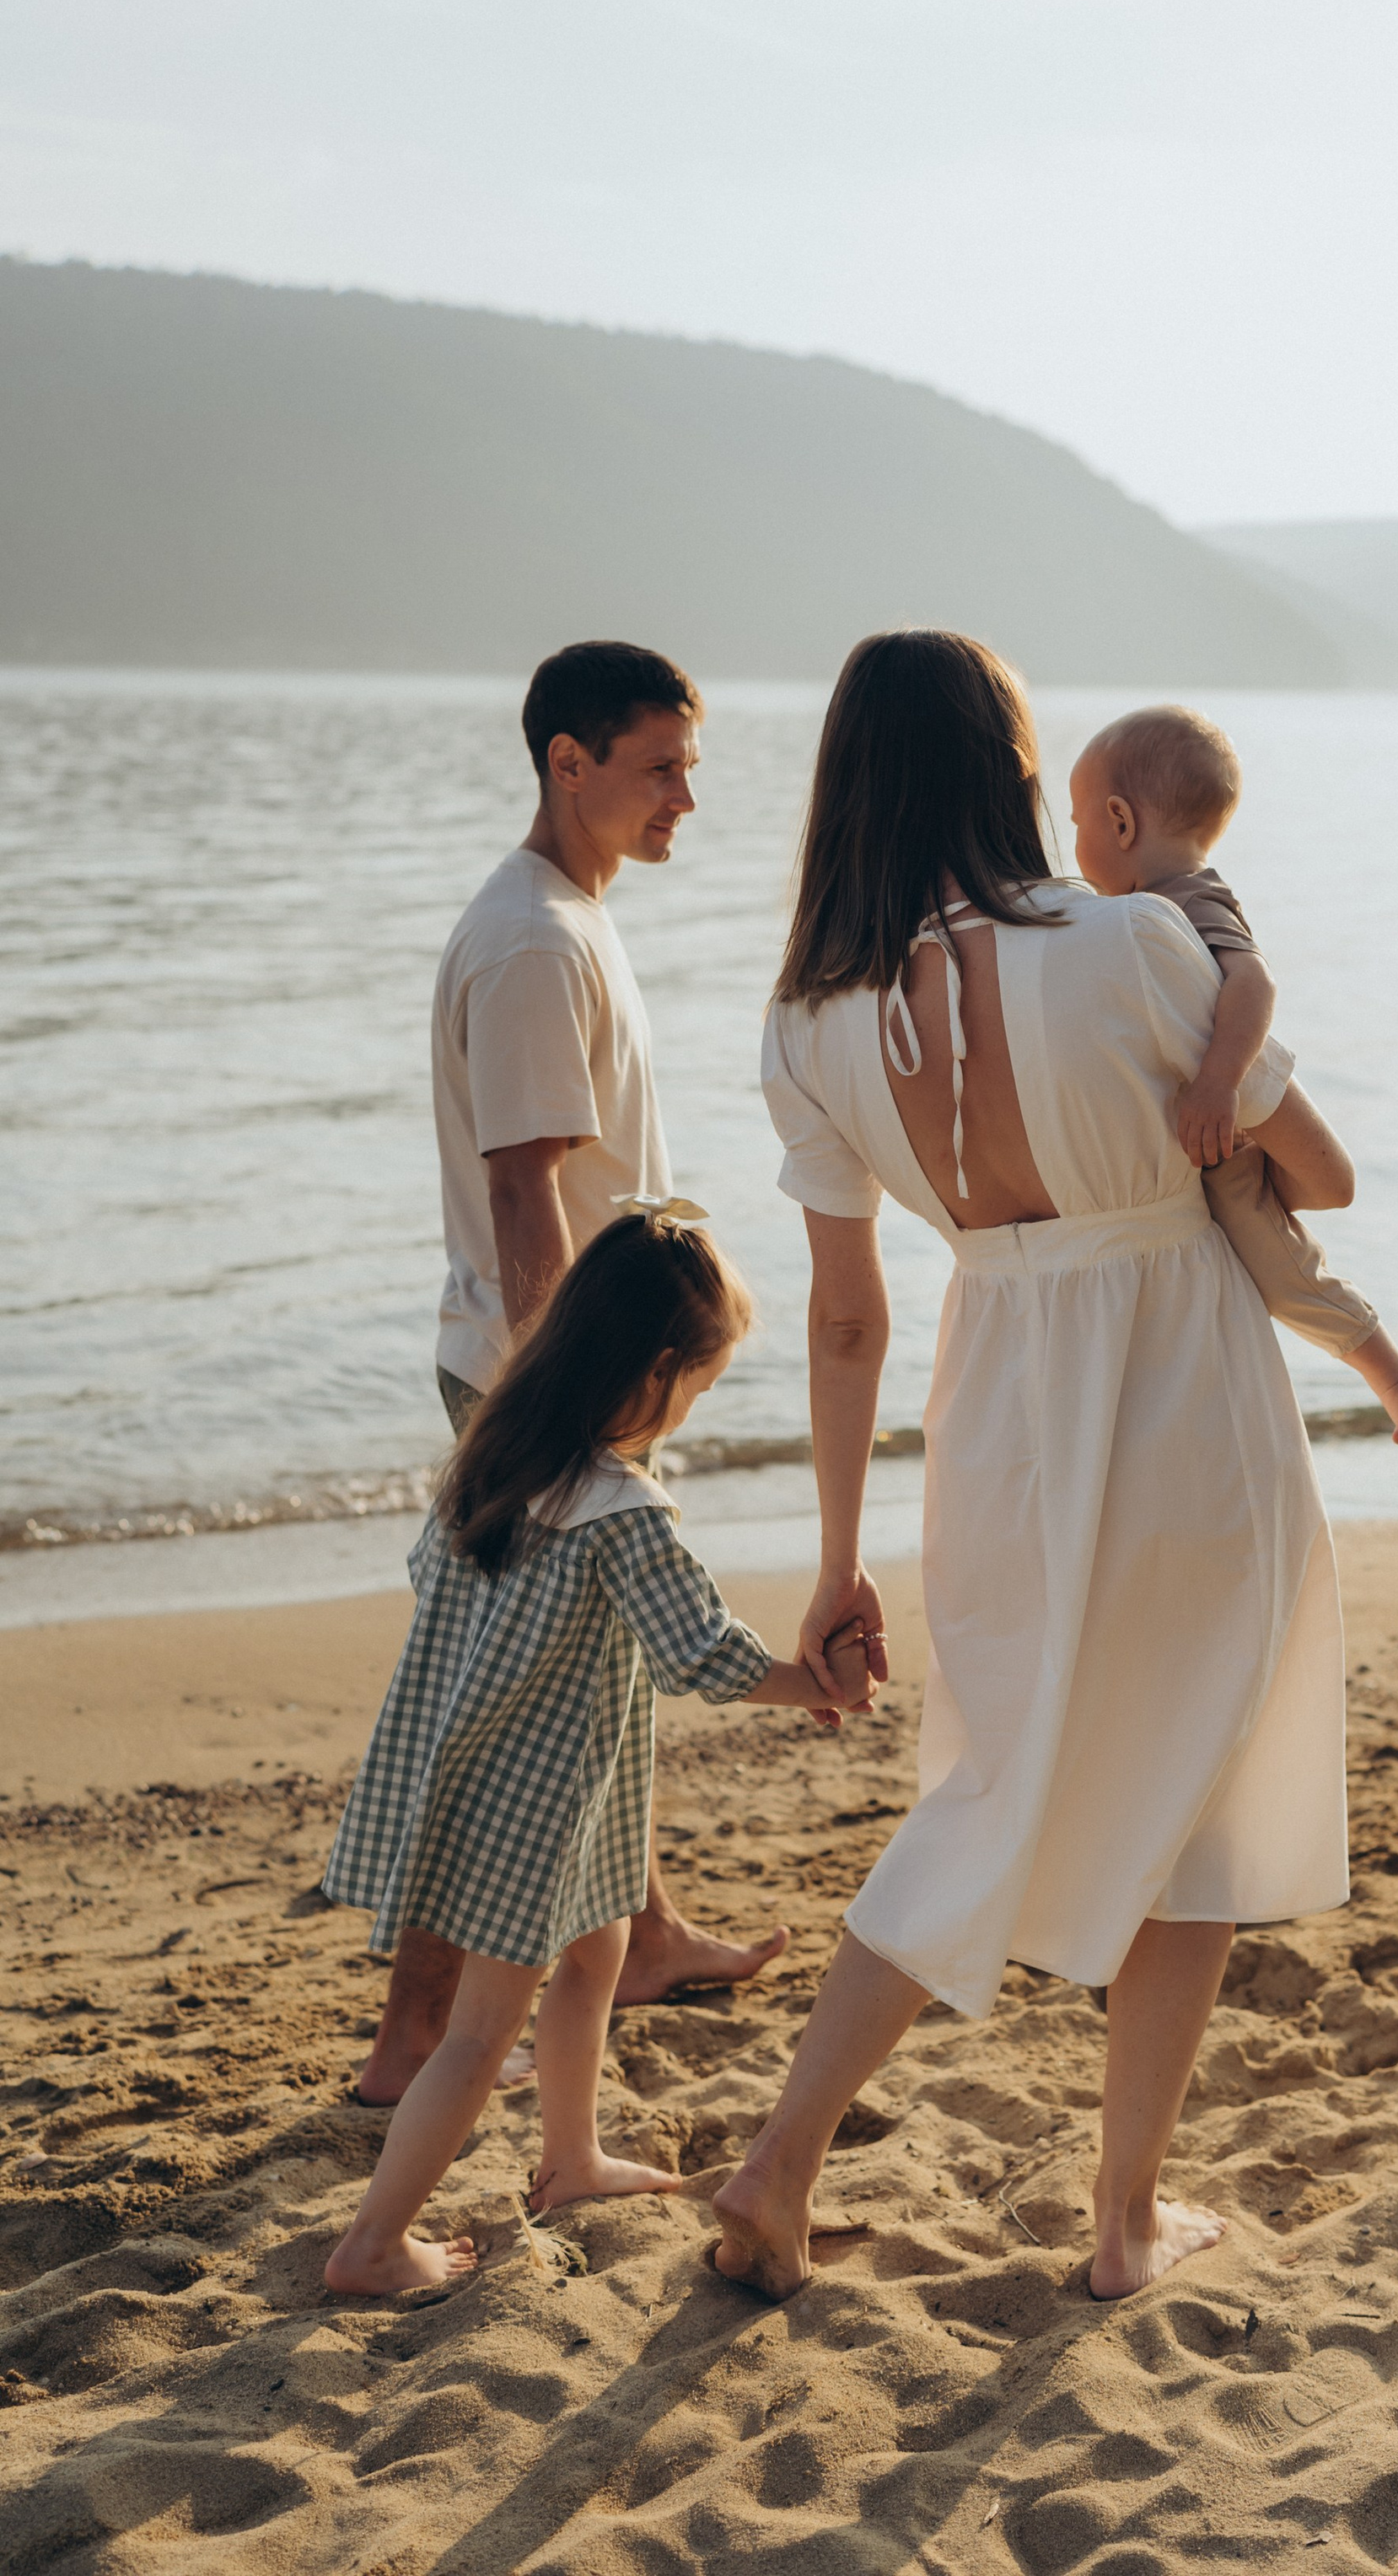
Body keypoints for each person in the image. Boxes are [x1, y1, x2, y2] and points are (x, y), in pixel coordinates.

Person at [707, 628, 1352, 2305]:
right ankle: (1123, 2224)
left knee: (987, 1784)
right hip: (1181, 1385)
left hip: (993, 1399)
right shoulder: (1130, 938)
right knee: (1197, 1785)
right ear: (1010, 766)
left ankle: (782, 2159)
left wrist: (840, 1559)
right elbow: (1315, 1167)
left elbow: (841, 1324)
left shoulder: (808, 1019)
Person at [352, 638, 784, 2112]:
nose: (684, 797)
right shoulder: (535, 940)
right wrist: (572, 1416)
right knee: (501, 1715)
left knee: (583, 1692)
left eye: (691, 767)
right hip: (544, 1379)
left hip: (571, 1374)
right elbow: (530, 1192)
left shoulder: (570, 914)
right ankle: (411, 2042)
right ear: (569, 764)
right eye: (659, 769)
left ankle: (644, 1932)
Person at [321, 1210, 876, 2298]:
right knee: (480, 2035)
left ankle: (570, 2160)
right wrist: (814, 1683)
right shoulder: (620, 1510)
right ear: (656, 1371)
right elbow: (699, 1654)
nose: (690, 1410)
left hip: (526, 1775)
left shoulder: (493, 1457)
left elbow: (438, 1594)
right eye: (699, 1389)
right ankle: (374, 2244)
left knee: (598, 1954)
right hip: (535, 1796)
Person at [1069, 703, 1398, 1446]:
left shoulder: (1188, 899)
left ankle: (1391, 1373)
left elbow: (1254, 984)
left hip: (1222, 1127)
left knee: (1279, 1263)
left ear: (1119, 822)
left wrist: (1218, 1083)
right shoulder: (1142, 908)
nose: (1073, 839)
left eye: (1077, 821)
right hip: (1188, 1133)